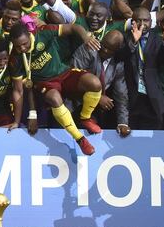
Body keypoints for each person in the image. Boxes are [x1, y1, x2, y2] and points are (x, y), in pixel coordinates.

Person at [8, 22, 101, 155]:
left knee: (94, 83)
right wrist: (17, 121)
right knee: (54, 98)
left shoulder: (43, 33)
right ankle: (80, 139)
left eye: (25, 44)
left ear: (29, 35)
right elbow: (19, 90)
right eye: (18, 46)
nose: (22, 48)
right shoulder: (15, 59)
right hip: (45, 84)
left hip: (64, 73)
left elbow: (73, 27)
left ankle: (85, 118)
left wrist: (86, 37)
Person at [71, 30, 130, 136]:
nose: (105, 50)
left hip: (94, 113)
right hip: (73, 105)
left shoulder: (118, 63)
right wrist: (98, 98)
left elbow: (121, 93)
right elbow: (73, 79)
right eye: (104, 45)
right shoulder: (89, 49)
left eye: (109, 49)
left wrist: (123, 122)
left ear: (117, 50)